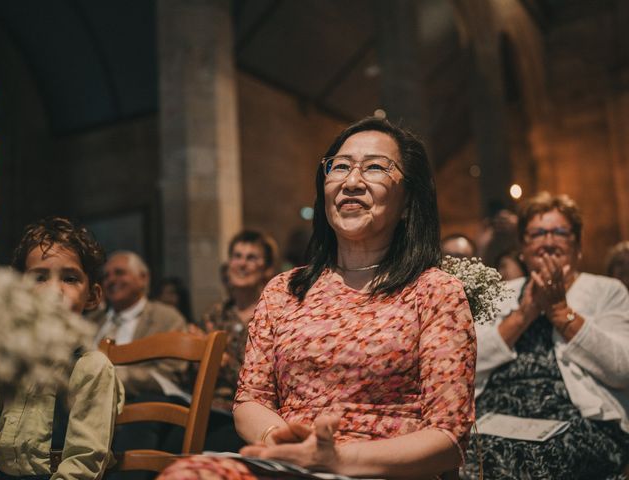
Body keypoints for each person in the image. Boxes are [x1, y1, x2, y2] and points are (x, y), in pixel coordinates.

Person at [159, 116, 476, 480]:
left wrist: (336, 458)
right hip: (289, 467)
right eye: (339, 167)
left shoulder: (434, 290)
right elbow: (250, 399)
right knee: (187, 473)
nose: (351, 182)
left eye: (374, 167)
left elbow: (449, 436)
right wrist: (283, 441)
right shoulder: (284, 289)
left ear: (407, 203)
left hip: (381, 471)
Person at [463, 192, 629, 479]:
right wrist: (523, 315)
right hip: (497, 414)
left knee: (529, 459)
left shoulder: (607, 291)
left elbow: (621, 370)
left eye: (559, 232)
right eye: (537, 233)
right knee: (464, 453)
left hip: (576, 418)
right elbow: (467, 365)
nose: (548, 242)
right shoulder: (503, 294)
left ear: (577, 245)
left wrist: (560, 311)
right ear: (523, 249)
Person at [0, 216, 124, 480]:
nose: (53, 291)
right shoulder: (3, 364)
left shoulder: (91, 368)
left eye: (70, 278)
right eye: (39, 278)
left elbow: (83, 465)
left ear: (93, 296)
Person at [92, 251, 188, 471]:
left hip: (138, 404)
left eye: (119, 273)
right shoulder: (93, 322)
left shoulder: (166, 317)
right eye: (106, 276)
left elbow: (170, 372)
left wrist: (116, 377)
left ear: (143, 278)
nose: (111, 280)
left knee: (144, 410)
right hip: (86, 407)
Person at [195, 230, 278, 452]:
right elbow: (192, 377)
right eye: (237, 256)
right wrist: (193, 354)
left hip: (248, 415)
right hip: (208, 409)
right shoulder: (214, 315)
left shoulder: (273, 312)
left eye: (252, 258)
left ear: (267, 269)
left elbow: (270, 380)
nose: (242, 264)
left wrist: (223, 362)